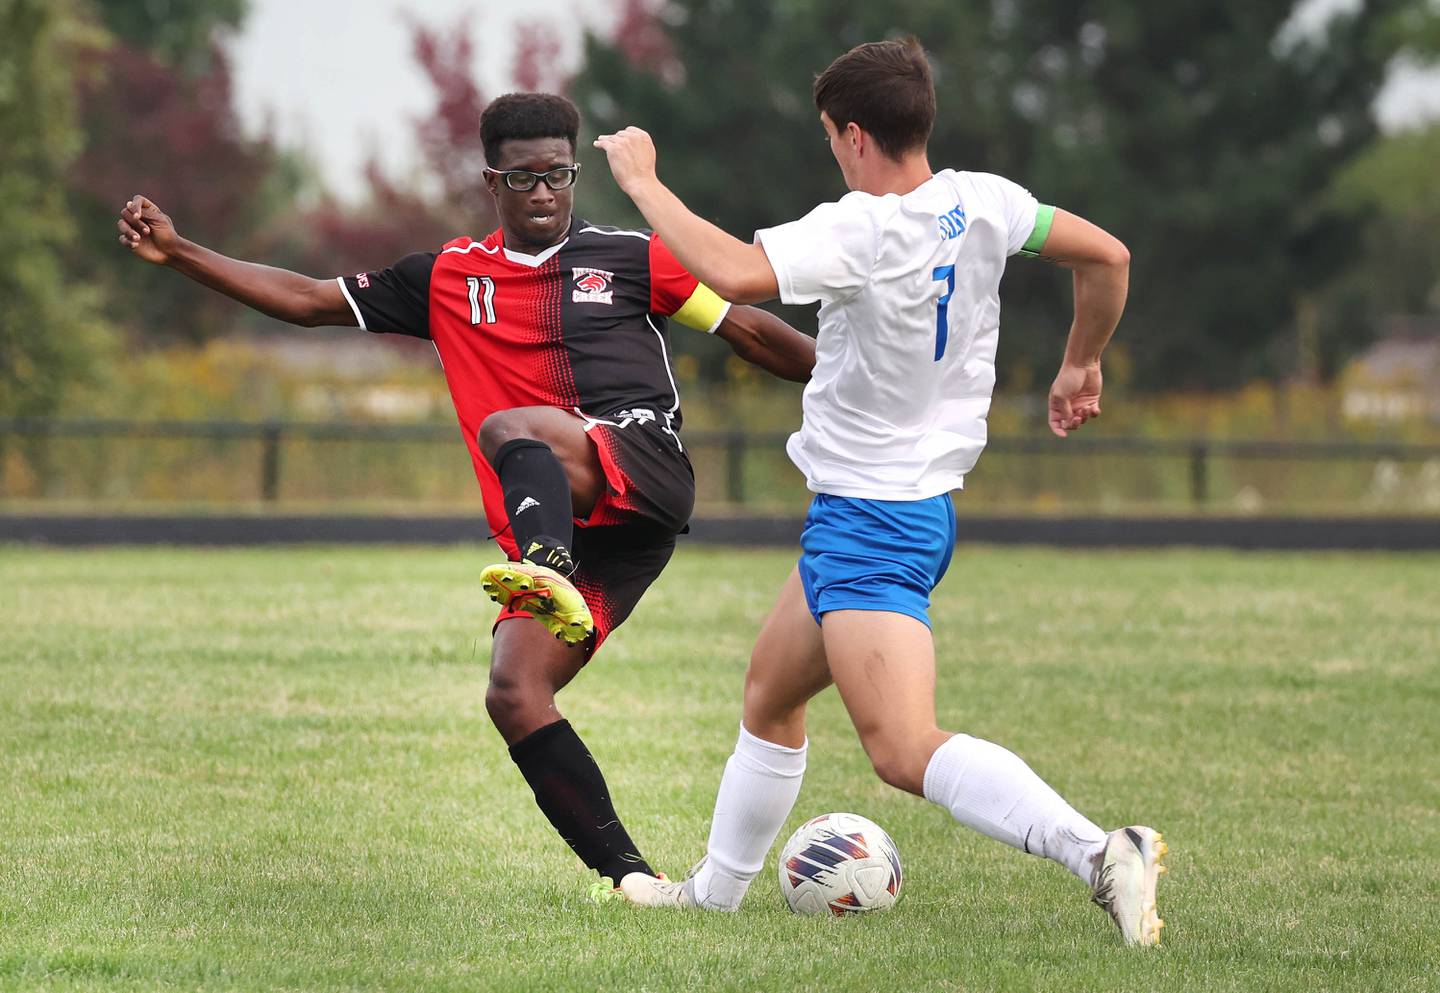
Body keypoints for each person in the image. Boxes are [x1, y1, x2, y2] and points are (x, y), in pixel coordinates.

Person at [116, 92, 816, 899]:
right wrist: (182, 253)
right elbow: (308, 302)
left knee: (513, 425)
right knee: (514, 691)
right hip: (593, 531)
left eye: (560, 174)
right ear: (493, 181)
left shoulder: (633, 258)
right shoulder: (447, 278)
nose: (546, 191)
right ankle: (635, 880)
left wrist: (853, 374)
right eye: (526, 179)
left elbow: (750, 330)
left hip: (642, 467)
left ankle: (544, 564)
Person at [594, 40, 1167, 944]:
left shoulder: (861, 228)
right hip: (899, 510)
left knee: (903, 749)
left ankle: (1101, 851)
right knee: (770, 695)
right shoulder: (986, 201)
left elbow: (735, 272)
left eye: (830, 136)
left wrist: (642, 181)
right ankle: (710, 897)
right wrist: (1080, 363)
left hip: (874, 520)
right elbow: (1109, 257)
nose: (833, 152)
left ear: (854, 135)